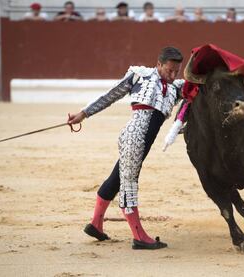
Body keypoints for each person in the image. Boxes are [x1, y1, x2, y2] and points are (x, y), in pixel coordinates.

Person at [68, 47, 185, 250]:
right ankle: (139, 237)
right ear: (158, 64)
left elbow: (198, 87)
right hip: (133, 137)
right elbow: (110, 95)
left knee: (117, 178)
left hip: (144, 143)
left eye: (176, 71)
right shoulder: (140, 75)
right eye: (169, 70)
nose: (173, 75)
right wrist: (83, 113)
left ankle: (96, 224)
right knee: (129, 183)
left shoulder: (176, 88)